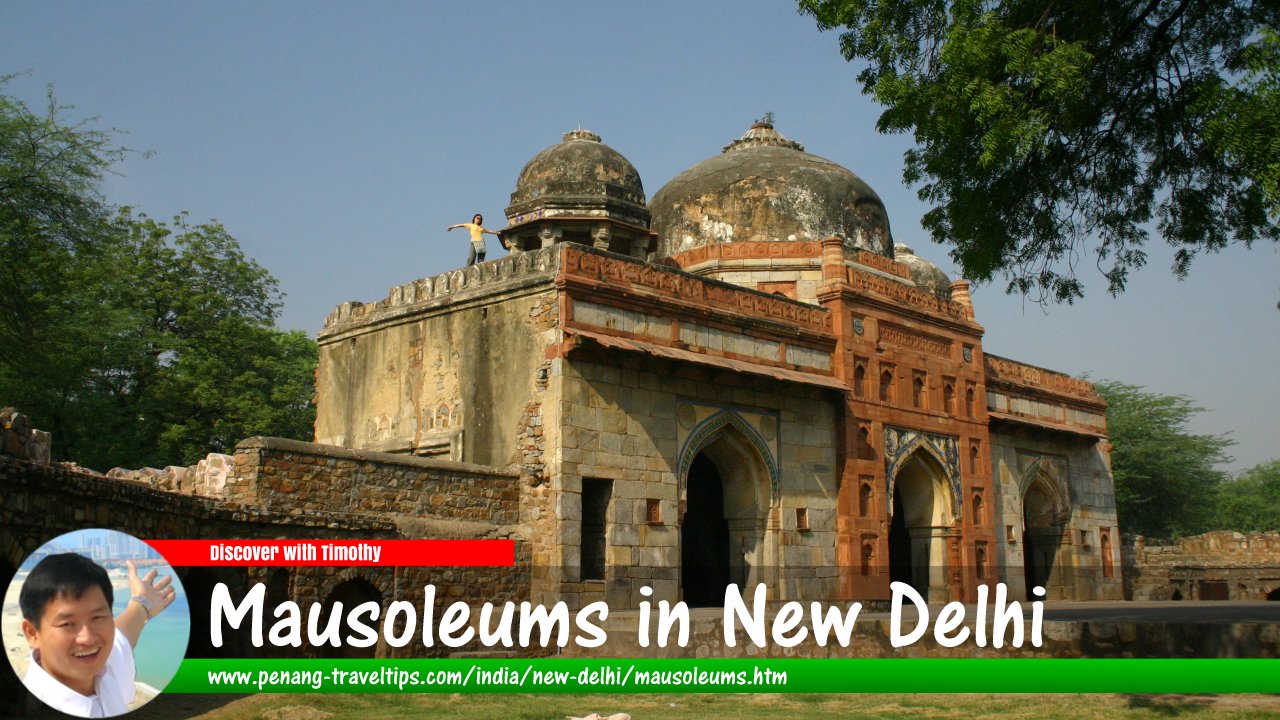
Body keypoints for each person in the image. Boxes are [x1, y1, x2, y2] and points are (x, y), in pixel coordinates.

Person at [19, 553, 177, 718]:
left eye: (97, 617)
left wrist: (142, 602)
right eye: (67, 624)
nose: (87, 638)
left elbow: (122, 635)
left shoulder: (103, 668)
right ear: (32, 634)